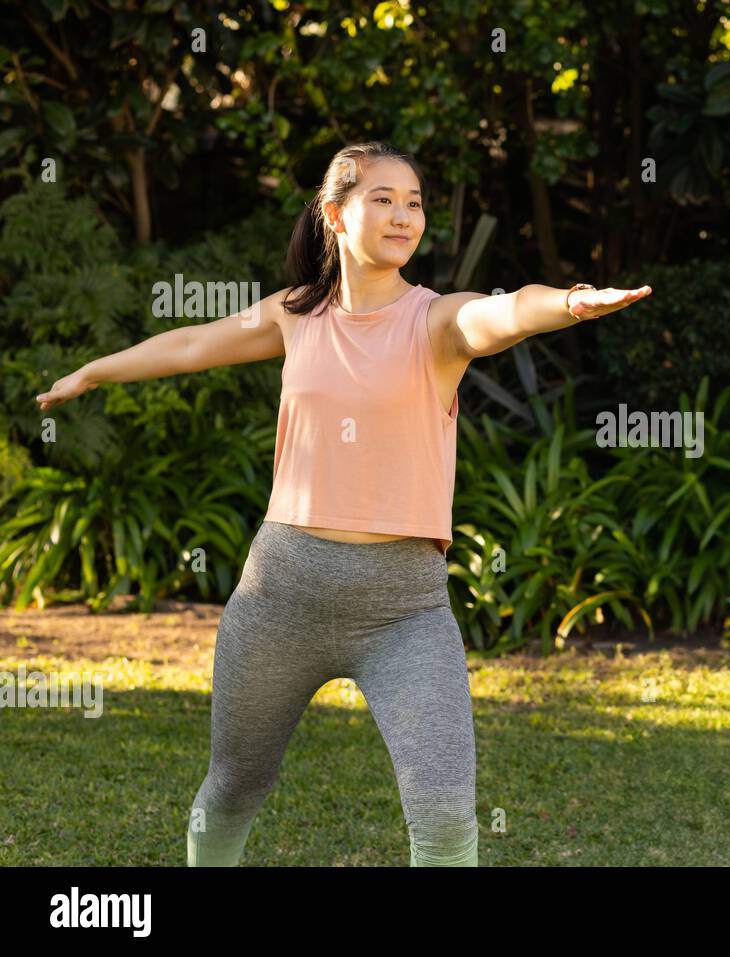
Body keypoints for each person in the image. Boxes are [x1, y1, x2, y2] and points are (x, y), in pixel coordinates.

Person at [34, 140, 652, 865]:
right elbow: (194, 343)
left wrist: (572, 302)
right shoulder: (295, 315)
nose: (404, 214)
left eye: (414, 202)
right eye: (383, 198)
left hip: (404, 610)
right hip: (280, 595)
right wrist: (94, 372)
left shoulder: (437, 322)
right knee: (234, 785)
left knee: (446, 817)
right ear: (334, 214)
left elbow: (505, 312)